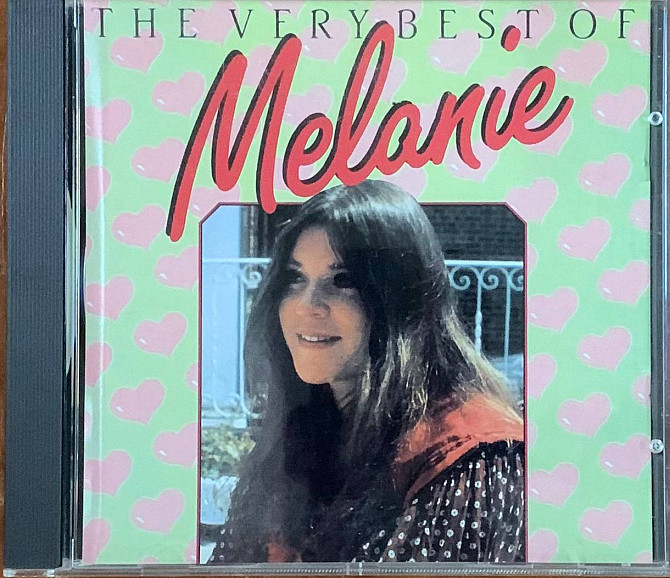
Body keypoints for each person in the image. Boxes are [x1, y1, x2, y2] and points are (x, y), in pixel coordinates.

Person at [207, 180, 524, 564]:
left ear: (401, 302)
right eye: (295, 277)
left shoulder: (470, 454)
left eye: (343, 281)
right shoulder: (307, 423)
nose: (308, 305)